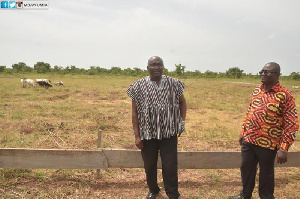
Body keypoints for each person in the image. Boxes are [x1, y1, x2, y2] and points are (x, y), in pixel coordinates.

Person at [230, 62, 299, 199]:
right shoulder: (257, 90)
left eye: (267, 72)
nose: (262, 74)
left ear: (277, 75)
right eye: (261, 71)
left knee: (266, 173)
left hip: (268, 143)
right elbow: (250, 111)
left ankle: (266, 196)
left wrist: (284, 148)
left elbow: (291, 123)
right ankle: (245, 194)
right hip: (249, 139)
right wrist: (243, 131)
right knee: (246, 168)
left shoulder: (285, 95)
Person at [126, 56, 187, 199]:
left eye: (159, 64)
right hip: (147, 133)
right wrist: (137, 135)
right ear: (147, 68)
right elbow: (134, 112)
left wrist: (181, 122)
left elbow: (183, 103)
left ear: (163, 67)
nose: (156, 67)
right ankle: (153, 189)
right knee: (149, 165)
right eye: (153, 65)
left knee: (170, 165)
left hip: (169, 132)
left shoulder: (174, 84)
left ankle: (172, 193)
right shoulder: (137, 86)